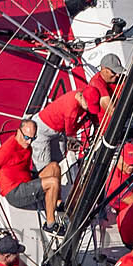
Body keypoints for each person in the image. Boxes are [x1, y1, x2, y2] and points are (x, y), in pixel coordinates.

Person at [30, 88, 100, 233]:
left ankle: (55, 197)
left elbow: (87, 115)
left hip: (56, 131)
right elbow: (71, 133)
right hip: (43, 131)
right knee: (45, 168)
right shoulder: (72, 110)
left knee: (58, 162)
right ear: (82, 98)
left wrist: (92, 119)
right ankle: (41, 195)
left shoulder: (81, 96)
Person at [0, 120, 58, 215]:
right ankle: (50, 224)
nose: (29, 142)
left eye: (32, 139)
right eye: (26, 137)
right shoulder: (7, 150)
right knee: (53, 182)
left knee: (54, 167)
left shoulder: (26, 146)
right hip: (15, 192)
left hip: (26, 183)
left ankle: (56, 202)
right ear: (18, 132)